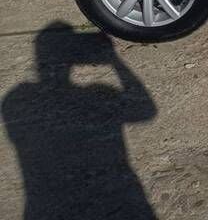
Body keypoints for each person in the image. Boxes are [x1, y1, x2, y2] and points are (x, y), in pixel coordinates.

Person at [2, 21, 157, 219]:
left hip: (46, 206)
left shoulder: (17, 98)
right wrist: (115, 61)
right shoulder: (100, 94)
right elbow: (146, 111)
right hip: (121, 200)